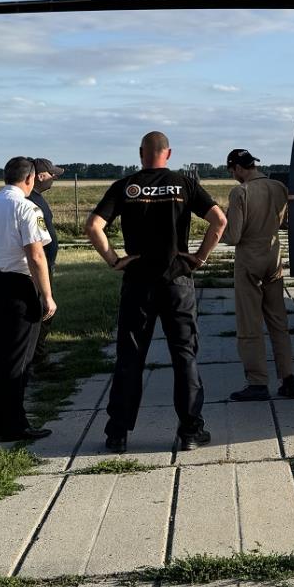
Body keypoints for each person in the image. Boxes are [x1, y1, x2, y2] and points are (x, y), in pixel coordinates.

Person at [87, 131, 227, 453]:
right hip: (177, 280)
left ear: (141, 153)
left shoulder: (126, 186)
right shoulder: (184, 184)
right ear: (169, 153)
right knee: (184, 356)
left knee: (130, 358)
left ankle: (117, 433)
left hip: (138, 282)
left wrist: (114, 260)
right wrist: (200, 257)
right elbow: (219, 220)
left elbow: (93, 226)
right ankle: (191, 430)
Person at [0, 156, 56, 441]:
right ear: (30, 179)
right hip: (18, 287)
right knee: (18, 360)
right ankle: (14, 424)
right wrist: (47, 295)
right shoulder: (27, 208)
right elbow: (36, 254)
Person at [222, 148, 294, 401]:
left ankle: (257, 382)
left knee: (249, 323)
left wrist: (219, 232)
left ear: (238, 168)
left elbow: (234, 236)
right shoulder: (278, 187)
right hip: (274, 257)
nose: (233, 175)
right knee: (278, 322)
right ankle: (288, 378)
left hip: (249, 261)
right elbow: (285, 221)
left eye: (232, 171)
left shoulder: (240, 192)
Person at [25, 157, 63, 374]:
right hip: (38, 268)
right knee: (43, 313)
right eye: (52, 174)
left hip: (45, 266)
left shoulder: (37, 198)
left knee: (44, 314)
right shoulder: (31, 201)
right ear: (39, 176)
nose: (55, 177)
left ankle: (36, 357)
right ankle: (37, 360)